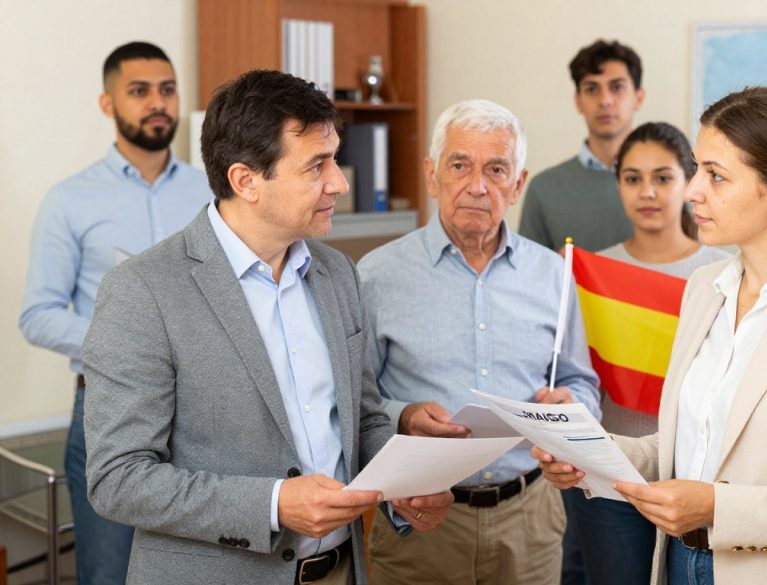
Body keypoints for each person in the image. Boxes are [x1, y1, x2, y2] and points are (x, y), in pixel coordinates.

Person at [82, 69, 452, 585]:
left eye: (335, 160)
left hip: (343, 571)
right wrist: (273, 504)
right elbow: (117, 479)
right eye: (317, 166)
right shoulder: (142, 291)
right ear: (245, 180)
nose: (339, 183)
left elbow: (362, 418)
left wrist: (404, 485)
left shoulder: (337, 273)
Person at [535, 87, 767, 585]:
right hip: (678, 566)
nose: (692, 191)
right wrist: (589, 454)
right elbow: (684, 447)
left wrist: (717, 507)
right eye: (696, 169)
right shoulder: (703, 289)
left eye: (715, 175)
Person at [357, 99, 601, 585]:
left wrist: (574, 405)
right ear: (432, 175)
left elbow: (579, 379)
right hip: (423, 515)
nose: (477, 185)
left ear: (518, 184)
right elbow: (351, 402)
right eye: (459, 165)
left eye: (496, 169)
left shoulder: (554, 275)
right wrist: (402, 414)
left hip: (530, 517)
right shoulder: (375, 275)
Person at [18, 41, 212, 585]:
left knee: (204, 570)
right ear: (108, 104)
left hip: (205, 413)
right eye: (140, 91)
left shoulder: (212, 193)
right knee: (108, 574)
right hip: (108, 412)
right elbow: (38, 313)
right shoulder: (70, 200)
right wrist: (128, 341)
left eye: (168, 90)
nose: (158, 103)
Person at [563, 122, 731, 585]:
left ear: (688, 181)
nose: (648, 192)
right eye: (633, 178)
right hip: (610, 471)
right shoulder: (592, 271)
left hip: (693, 473)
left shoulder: (723, 270)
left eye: (662, 177)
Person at [519, 39, 645, 252]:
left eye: (617, 87)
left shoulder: (674, 182)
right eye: (592, 89)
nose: (605, 100)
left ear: (638, 98)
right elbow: (529, 277)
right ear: (578, 101)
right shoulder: (544, 188)